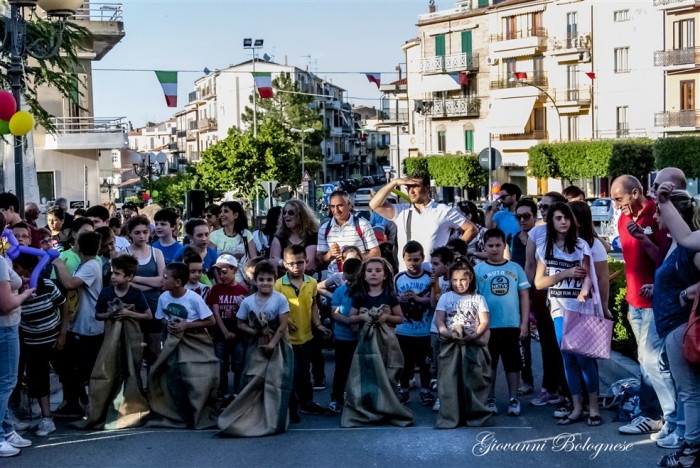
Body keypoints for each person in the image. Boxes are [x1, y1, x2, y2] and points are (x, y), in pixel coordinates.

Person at [534, 202, 610, 427]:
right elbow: (539, 282)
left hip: (582, 308)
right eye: (558, 218)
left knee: (585, 359)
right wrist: (565, 273)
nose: (563, 222)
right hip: (559, 308)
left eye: (566, 217)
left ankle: (593, 408)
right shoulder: (544, 248)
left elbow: (589, 275)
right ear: (551, 221)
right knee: (567, 359)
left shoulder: (581, 245)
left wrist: (585, 290)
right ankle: (576, 408)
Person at [610, 175, 669, 437]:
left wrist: (644, 239)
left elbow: (666, 259)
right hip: (635, 301)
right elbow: (628, 261)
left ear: (635, 193)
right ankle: (658, 414)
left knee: (651, 359)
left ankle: (657, 415)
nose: (616, 205)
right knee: (645, 361)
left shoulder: (658, 214)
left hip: (656, 300)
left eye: (619, 199)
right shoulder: (623, 219)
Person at [655, 182, 700, 466]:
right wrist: (663, 201)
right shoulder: (687, 241)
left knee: (690, 392)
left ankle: (692, 451)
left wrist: (686, 294)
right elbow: (683, 236)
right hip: (676, 326)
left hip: (682, 326)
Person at [370, 172, 476, 271]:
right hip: (407, 274)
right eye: (408, 187)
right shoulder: (402, 211)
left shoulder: (443, 210)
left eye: (415, 186)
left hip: (434, 275)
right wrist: (394, 182)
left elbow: (471, 229)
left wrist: (451, 252)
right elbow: (374, 204)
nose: (411, 191)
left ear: (427, 188)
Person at [474, 229, 530, 417]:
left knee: (512, 364)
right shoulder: (477, 270)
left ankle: (513, 398)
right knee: (489, 365)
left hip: (511, 325)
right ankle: (489, 398)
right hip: (487, 327)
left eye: (498, 245)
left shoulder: (515, 268)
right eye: (490, 246)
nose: (494, 249)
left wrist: (524, 323)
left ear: (505, 246)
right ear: (484, 246)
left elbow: (524, 296)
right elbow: (473, 299)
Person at [434, 257, 492, 428]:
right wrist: (447, 333)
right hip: (451, 345)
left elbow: (484, 322)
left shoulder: (478, 299)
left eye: (463, 280)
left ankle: (474, 415)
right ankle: (451, 415)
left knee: (473, 380)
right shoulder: (445, 297)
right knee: (450, 380)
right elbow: (439, 320)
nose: (459, 283)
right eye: (454, 280)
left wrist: (473, 336)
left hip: (473, 344)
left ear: (470, 279)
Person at [52, 231, 104, 419]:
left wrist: (58, 264)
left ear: (78, 247)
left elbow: (70, 284)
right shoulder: (86, 264)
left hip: (88, 328)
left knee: (83, 370)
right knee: (68, 365)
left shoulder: (91, 265)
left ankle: (89, 405)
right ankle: (76, 402)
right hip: (79, 326)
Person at [275, 245, 330, 423]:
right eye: (291, 263)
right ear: (284, 264)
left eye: (300, 262)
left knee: (304, 371)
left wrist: (318, 324)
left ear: (306, 262)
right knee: (291, 372)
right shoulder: (278, 285)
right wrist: (286, 321)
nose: (296, 267)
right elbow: (275, 308)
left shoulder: (312, 282)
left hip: (306, 336)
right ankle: (290, 406)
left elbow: (313, 306)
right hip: (286, 338)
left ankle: (307, 402)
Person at [524, 191, 569, 408]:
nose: (542, 210)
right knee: (548, 342)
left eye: (546, 207)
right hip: (543, 291)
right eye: (540, 206)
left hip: (568, 293)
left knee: (567, 343)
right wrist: (527, 292)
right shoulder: (536, 232)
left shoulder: (572, 231)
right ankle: (550, 387)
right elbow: (530, 265)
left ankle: (569, 389)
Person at [12, 253, 61, 438]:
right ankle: (47, 418)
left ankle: (83, 405)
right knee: (39, 380)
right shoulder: (14, 292)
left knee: (69, 373)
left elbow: (62, 305)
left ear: (30, 271)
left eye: (16, 268)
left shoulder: (46, 285)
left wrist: (62, 335)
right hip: (32, 344)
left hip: (56, 340)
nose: (13, 272)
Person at [0, 210, 36, 457]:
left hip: (7, 326)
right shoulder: (0, 261)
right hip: (5, 327)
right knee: (6, 383)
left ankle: (6, 428)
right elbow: (5, 305)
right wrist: (25, 294)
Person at [394, 241, 435, 407]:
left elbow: (434, 301)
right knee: (405, 363)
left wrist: (419, 299)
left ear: (423, 258)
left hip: (424, 331)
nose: (413, 263)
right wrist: (400, 299)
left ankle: (425, 391)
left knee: (425, 363)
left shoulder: (429, 278)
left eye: (417, 259)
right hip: (404, 330)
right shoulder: (398, 278)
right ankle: (403, 390)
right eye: (409, 260)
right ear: (403, 259)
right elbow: (391, 299)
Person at [123, 216, 165, 368]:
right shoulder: (124, 254)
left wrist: (136, 279)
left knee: (154, 351)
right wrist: (151, 284)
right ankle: (136, 388)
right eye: (137, 232)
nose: (142, 236)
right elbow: (124, 283)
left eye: (145, 232)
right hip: (132, 308)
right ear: (130, 234)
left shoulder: (156, 253)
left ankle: (153, 386)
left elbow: (162, 281)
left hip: (154, 307)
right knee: (136, 352)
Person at [207, 254, 248, 402]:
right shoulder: (216, 289)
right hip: (220, 334)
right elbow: (215, 312)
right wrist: (224, 331)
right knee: (221, 364)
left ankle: (238, 392)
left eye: (224, 272)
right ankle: (223, 392)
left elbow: (244, 315)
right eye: (218, 272)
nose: (221, 275)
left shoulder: (242, 291)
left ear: (234, 270)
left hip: (238, 333)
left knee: (238, 364)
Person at [507, 199, 538, 396]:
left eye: (526, 216)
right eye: (518, 216)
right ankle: (527, 381)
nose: (522, 220)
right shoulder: (513, 238)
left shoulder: (543, 237)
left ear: (535, 216)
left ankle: (554, 386)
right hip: (520, 295)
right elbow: (509, 264)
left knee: (550, 343)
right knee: (522, 339)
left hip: (542, 292)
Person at [327, 257, 362, 415]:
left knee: (361, 369)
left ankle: (358, 398)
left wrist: (358, 321)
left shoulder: (364, 291)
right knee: (341, 369)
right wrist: (350, 321)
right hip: (342, 337)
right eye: (347, 280)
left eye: (354, 280)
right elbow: (335, 314)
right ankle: (336, 398)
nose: (350, 283)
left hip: (360, 338)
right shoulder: (340, 291)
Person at [317, 191, 380, 274]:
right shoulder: (324, 228)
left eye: (340, 205)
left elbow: (376, 253)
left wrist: (354, 258)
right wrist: (329, 255)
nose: (336, 210)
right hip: (333, 281)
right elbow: (319, 259)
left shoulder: (362, 225)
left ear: (349, 204)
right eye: (332, 206)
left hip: (358, 279)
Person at [427, 246, 454, 412]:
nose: (433, 267)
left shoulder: (456, 281)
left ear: (448, 264)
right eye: (432, 263)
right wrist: (433, 286)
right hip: (435, 328)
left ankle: (450, 396)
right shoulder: (436, 280)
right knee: (437, 365)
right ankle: (440, 397)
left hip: (451, 329)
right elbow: (432, 304)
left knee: (450, 365)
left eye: (436, 264)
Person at [95, 255, 152, 323]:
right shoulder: (105, 293)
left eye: (117, 274)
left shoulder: (136, 294)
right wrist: (109, 314)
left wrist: (129, 314)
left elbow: (149, 316)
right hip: (111, 332)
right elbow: (97, 315)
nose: (112, 277)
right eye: (112, 273)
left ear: (129, 277)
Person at [270, 200, 319, 274]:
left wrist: (281, 262)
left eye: (290, 213)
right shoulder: (279, 237)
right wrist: (298, 266)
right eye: (284, 212)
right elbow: (273, 264)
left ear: (301, 215)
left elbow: (308, 266)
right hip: (283, 282)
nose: (286, 215)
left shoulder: (312, 236)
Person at [209, 201, 257, 272]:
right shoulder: (214, 235)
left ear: (236, 215)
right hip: (221, 279)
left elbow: (254, 261)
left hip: (243, 280)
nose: (221, 215)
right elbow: (212, 262)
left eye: (226, 211)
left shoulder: (246, 234)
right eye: (220, 212)